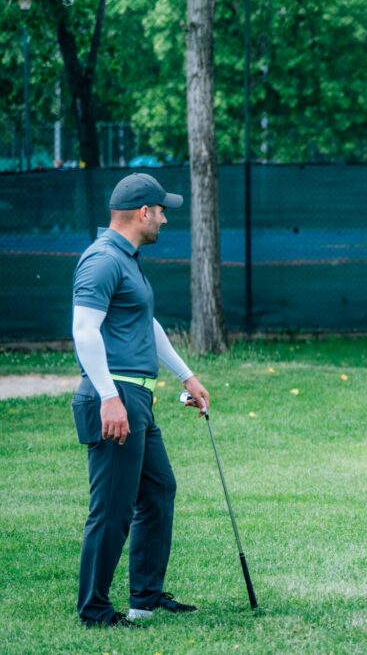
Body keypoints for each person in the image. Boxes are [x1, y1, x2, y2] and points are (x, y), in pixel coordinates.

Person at [71, 173, 210, 628]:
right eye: (161, 210)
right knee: (112, 508)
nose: (166, 219)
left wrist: (186, 375)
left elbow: (144, 324)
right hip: (115, 395)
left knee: (158, 490)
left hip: (138, 397)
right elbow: (84, 330)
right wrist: (110, 398)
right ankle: (94, 610)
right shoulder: (102, 260)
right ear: (143, 212)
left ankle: (144, 599)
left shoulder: (128, 259)